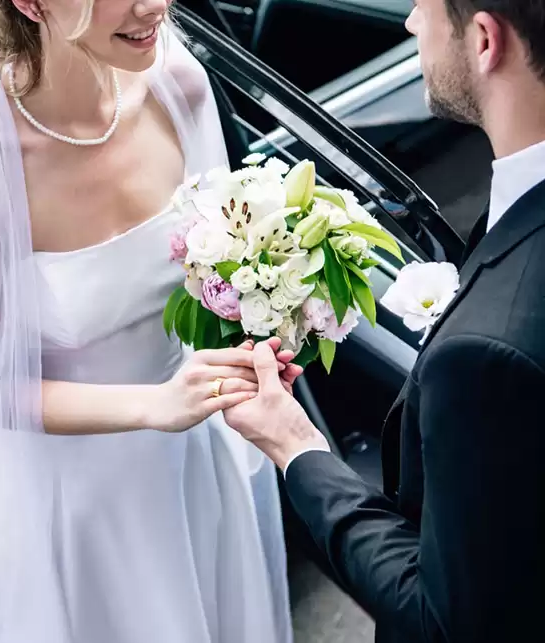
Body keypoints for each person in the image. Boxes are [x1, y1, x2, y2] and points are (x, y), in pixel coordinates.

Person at [0, 0, 298, 640]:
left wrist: (258, 334)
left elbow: (221, 272)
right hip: (78, 506)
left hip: (195, 458)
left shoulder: (180, 86)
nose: (156, 5)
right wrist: (155, 405)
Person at [222, 1, 545, 641]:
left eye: (423, 5)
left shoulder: (484, 354)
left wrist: (296, 445)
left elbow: (443, 621)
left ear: (485, 40)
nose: (409, 22)